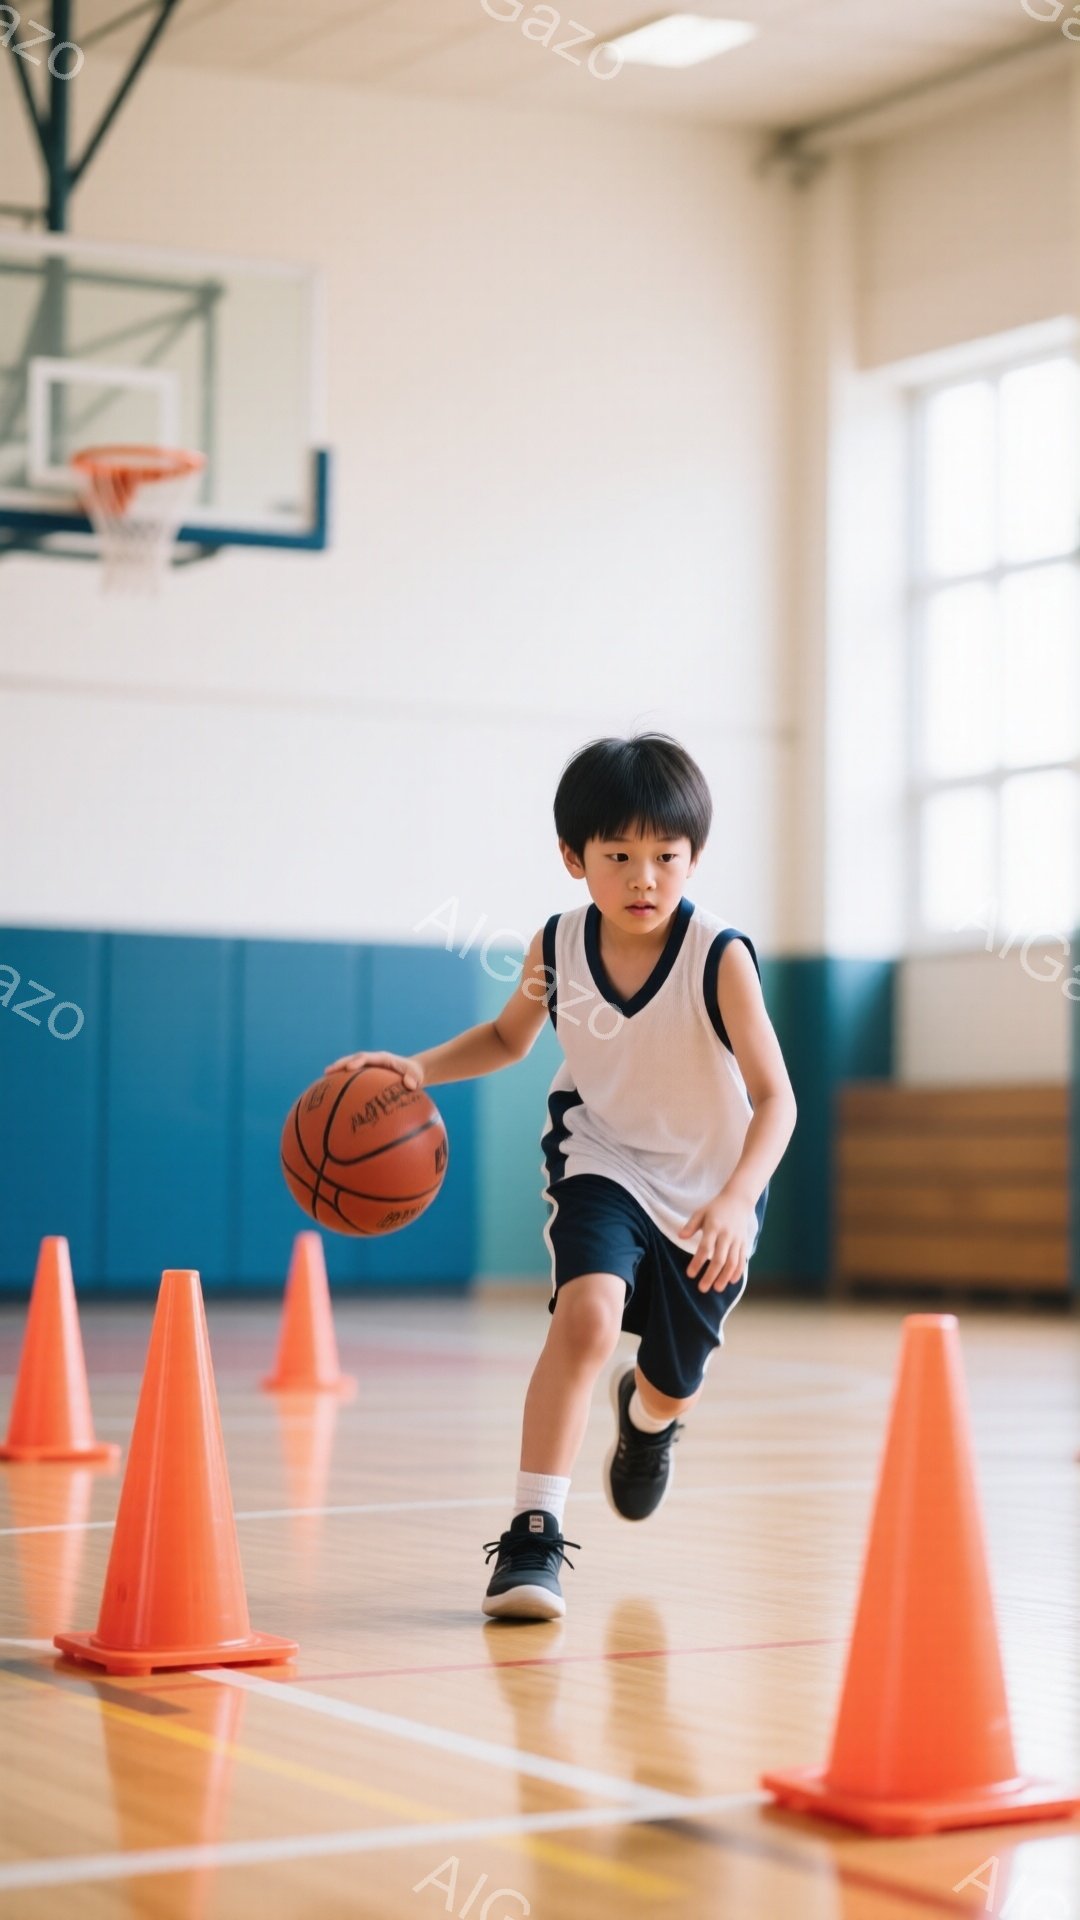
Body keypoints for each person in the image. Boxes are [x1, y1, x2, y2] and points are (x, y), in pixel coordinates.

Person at [326, 732, 797, 1622]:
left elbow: (777, 1100)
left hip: (709, 1194)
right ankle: (533, 1535)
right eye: (618, 856)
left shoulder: (718, 957)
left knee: (669, 1385)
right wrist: (415, 1070)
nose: (644, 878)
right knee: (585, 1316)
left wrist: (737, 1198)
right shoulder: (559, 945)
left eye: (666, 856)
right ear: (573, 858)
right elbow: (508, 1039)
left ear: (695, 858)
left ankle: (649, 1421)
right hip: (603, 1157)